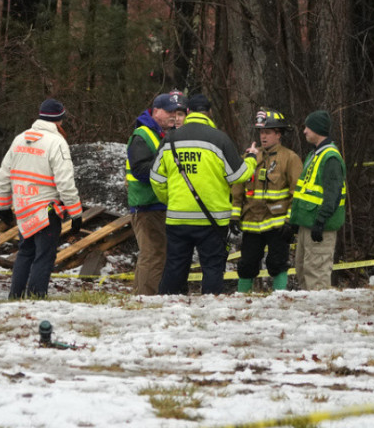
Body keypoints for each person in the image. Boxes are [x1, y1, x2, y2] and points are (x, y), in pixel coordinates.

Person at [150, 94, 257, 295]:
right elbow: (240, 175)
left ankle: (167, 310)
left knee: (174, 268)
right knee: (212, 268)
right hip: (213, 220)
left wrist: (170, 199)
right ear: (209, 113)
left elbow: (156, 178)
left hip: (178, 218)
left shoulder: (170, 139)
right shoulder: (219, 139)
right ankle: (211, 308)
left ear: (188, 112)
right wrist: (251, 158)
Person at [0, 99, 82, 299]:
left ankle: (15, 298)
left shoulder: (20, 138)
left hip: (24, 209)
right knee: (44, 256)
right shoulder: (57, 142)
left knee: (25, 253)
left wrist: (3, 206)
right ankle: (35, 300)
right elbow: (65, 182)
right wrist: (76, 213)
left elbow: (4, 174)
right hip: (46, 211)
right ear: (60, 119)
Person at [231, 109, 302, 292]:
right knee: (246, 265)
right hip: (252, 222)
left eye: (268, 132)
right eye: (261, 132)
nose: (263, 136)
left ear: (278, 134)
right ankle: (242, 298)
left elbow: (298, 193)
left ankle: (280, 298)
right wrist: (234, 216)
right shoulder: (251, 157)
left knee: (277, 263)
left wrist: (290, 221)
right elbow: (238, 187)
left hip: (277, 224)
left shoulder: (290, 158)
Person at [125, 93, 179, 295]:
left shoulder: (159, 134)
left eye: (176, 112)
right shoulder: (143, 134)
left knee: (154, 253)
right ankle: (147, 298)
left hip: (155, 204)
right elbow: (141, 169)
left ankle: (142, 295)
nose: (173, 116)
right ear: (156, 111)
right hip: (147, 205)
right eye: (168, 111)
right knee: (153, 253)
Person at [289, 110, 347, 290]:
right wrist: (295, 222)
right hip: (308, 225)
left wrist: (321, 221)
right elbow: (304, 193)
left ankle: (322, 313)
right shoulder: (314, 155)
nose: (304, 131)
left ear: (318, 129)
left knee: (317, 275)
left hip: (321, 227)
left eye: (308, 127)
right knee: (303, 270)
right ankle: (310, 316)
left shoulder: (330, 158)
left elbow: (333, 194)